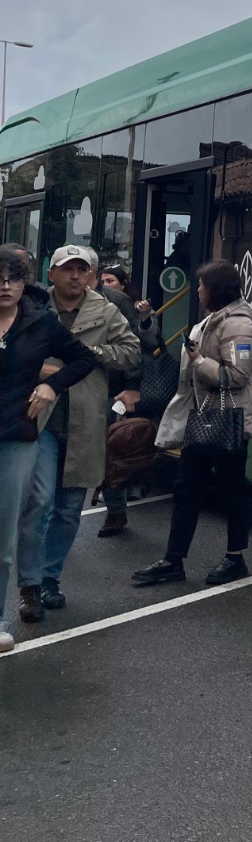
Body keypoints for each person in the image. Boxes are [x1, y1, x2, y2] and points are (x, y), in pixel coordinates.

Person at [17, 244, 140, 619]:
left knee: (70, 510)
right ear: (50, 273)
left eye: (81, 270)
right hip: (39, 421)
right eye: (66, 269)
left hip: (85, 420)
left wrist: (91, 353)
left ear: (90, 275)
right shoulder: (32, 309)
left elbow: (132, 351)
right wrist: (37, 370)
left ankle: (51, 578)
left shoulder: (105, 311)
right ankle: (30, 585)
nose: (75, 276)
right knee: (39, 504)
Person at [133, 259, 252, 588]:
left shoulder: (238, 325)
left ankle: (235, 559)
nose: (196, 291)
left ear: (215, 289)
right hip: (206, 415)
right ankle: (173, 560)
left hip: (227, 417)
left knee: (232, 489)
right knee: (186, 488)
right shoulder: (216, 319)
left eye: (201, 285)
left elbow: (235, 377)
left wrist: (198, 360)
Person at [0, 244, 99, 651]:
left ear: (25, 283)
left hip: (16, 438)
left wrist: (49, 384)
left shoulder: (41, 324)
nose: (5, 285)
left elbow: (83, 360)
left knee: (5, 533)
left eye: (13, 278)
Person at [94, 260, 162, 536]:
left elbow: (135, 344)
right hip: (70, 385)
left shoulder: (117, 301)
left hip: (112, 386)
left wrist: (133, 385)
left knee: (109, 451)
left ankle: (115, 511)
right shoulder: (55, 301)